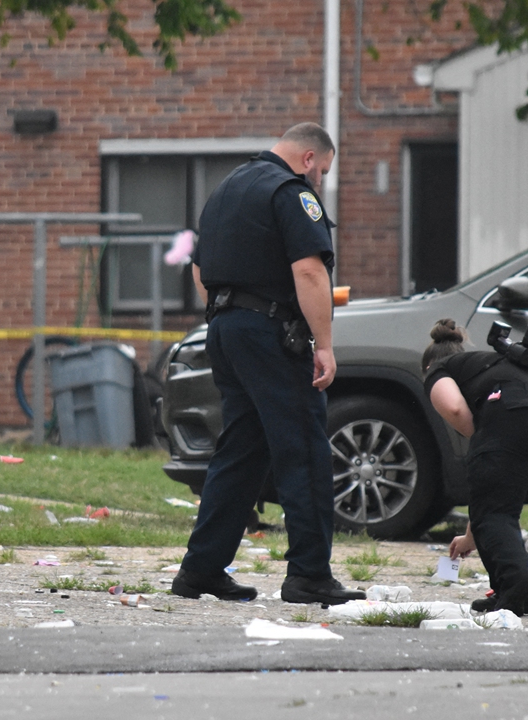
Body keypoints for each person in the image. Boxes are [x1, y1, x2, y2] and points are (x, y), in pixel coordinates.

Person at [171, 122, 365, 606]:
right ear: (307, 159)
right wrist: (324, 343)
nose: (318, 180)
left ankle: (201, 571)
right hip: (271, 335)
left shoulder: (226, 190)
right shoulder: (290, 192)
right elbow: (308, 270)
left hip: (225, 330)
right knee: (303, 447)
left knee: (241, 453)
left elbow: (199, 271)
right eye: (321, 170)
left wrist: (232, 315)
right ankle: (309, 574)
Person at [423, 318, 528, 615]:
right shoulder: (495, 364)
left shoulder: (439, 370)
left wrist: (484, 439)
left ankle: (518, 586)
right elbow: (493, 498)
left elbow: (455, 408)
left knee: (495, 511)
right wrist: (472, 535)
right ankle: (506, 591)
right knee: (499, 510)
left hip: (517, 416)